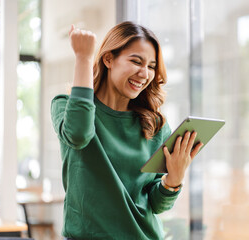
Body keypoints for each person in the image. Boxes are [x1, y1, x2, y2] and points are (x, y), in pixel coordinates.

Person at [51, 21, 203, 240]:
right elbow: (79, 135)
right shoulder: (65, 106)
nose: (144, 73)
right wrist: (83, 58)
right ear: (108, 58)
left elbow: (155, 204)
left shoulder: (155, 125)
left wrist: (174, 179)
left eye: (151, 66)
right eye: (136, 61)